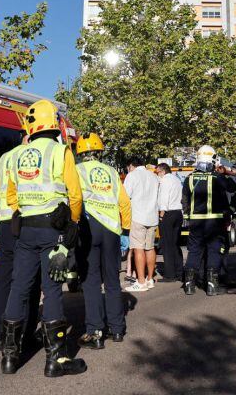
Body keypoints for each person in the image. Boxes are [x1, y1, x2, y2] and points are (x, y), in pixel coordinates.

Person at [0, 100, 87, 377]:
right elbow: (75, 194)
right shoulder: (61, 152)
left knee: (19, 288)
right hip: (54, 229)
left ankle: (9, 357)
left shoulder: (16, 155)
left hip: (25, 228)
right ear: (54, 123)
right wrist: (71, 224)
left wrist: (24, 210)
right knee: (52, 289)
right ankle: (56, 360)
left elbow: (11, 195)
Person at [74, 133, 133, 349]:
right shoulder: (111, 172)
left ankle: (95, 331)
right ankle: (117, 329)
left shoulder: (77, 170)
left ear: (80, 152)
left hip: (89, 226)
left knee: (91, 281)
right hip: (111, 229)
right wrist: (125, 230)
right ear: (99, 151)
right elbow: (124, 203)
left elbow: (74, 197)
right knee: (112, 280)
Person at [0, 135, 39, 351]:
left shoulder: (4, 158)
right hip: (24, 222)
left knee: (4, 280)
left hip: (4, 223)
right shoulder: (31, 156)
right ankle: (24, 335)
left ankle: (0, 333)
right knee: (28, 280)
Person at [181, 145, 230, 295]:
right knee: (214, 251)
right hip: (214, 222)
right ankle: (212, 286)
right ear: (212, 159)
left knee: (194, 251)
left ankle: (189, 285)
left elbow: (185, 201)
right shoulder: (217, 178)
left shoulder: (189, 179)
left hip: (196, 222)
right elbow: (225, 197)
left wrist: (188, 217)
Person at [123, 156, 160, 292]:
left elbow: (125, 197)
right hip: (152, 217)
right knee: (150, 248)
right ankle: (150, 279)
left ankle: (141, 281)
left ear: (131, 166)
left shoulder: (132, 176)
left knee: (138, 248)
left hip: (138, 217)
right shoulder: (153, 176)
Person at [155, 163, 184, 282]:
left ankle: (169, 274)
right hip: (178, 213)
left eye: (157, 173)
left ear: (162, 171)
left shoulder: (165, 181)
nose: (157, 175)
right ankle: (179, 271)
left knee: (167, 245)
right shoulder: (176, 180)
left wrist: (161, 216)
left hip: (168, 214)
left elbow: (163, 199)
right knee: (175, 244)